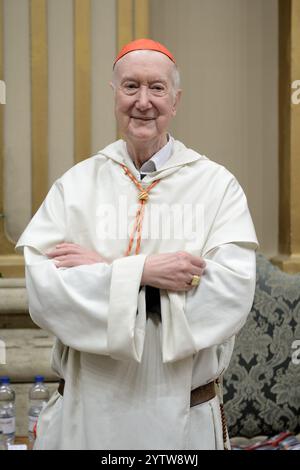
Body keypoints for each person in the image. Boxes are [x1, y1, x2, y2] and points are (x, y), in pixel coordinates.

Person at [16, 39, 258, 450]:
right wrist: (144, 272)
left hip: (181, 420)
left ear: (176, 100)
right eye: (131, 87)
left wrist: (102, 273)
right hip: (88, 416)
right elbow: (45, 291)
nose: (143, 101)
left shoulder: (217, 187)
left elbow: (229, 294)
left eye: (157, 88)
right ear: (115, 96)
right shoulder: (75, 186)